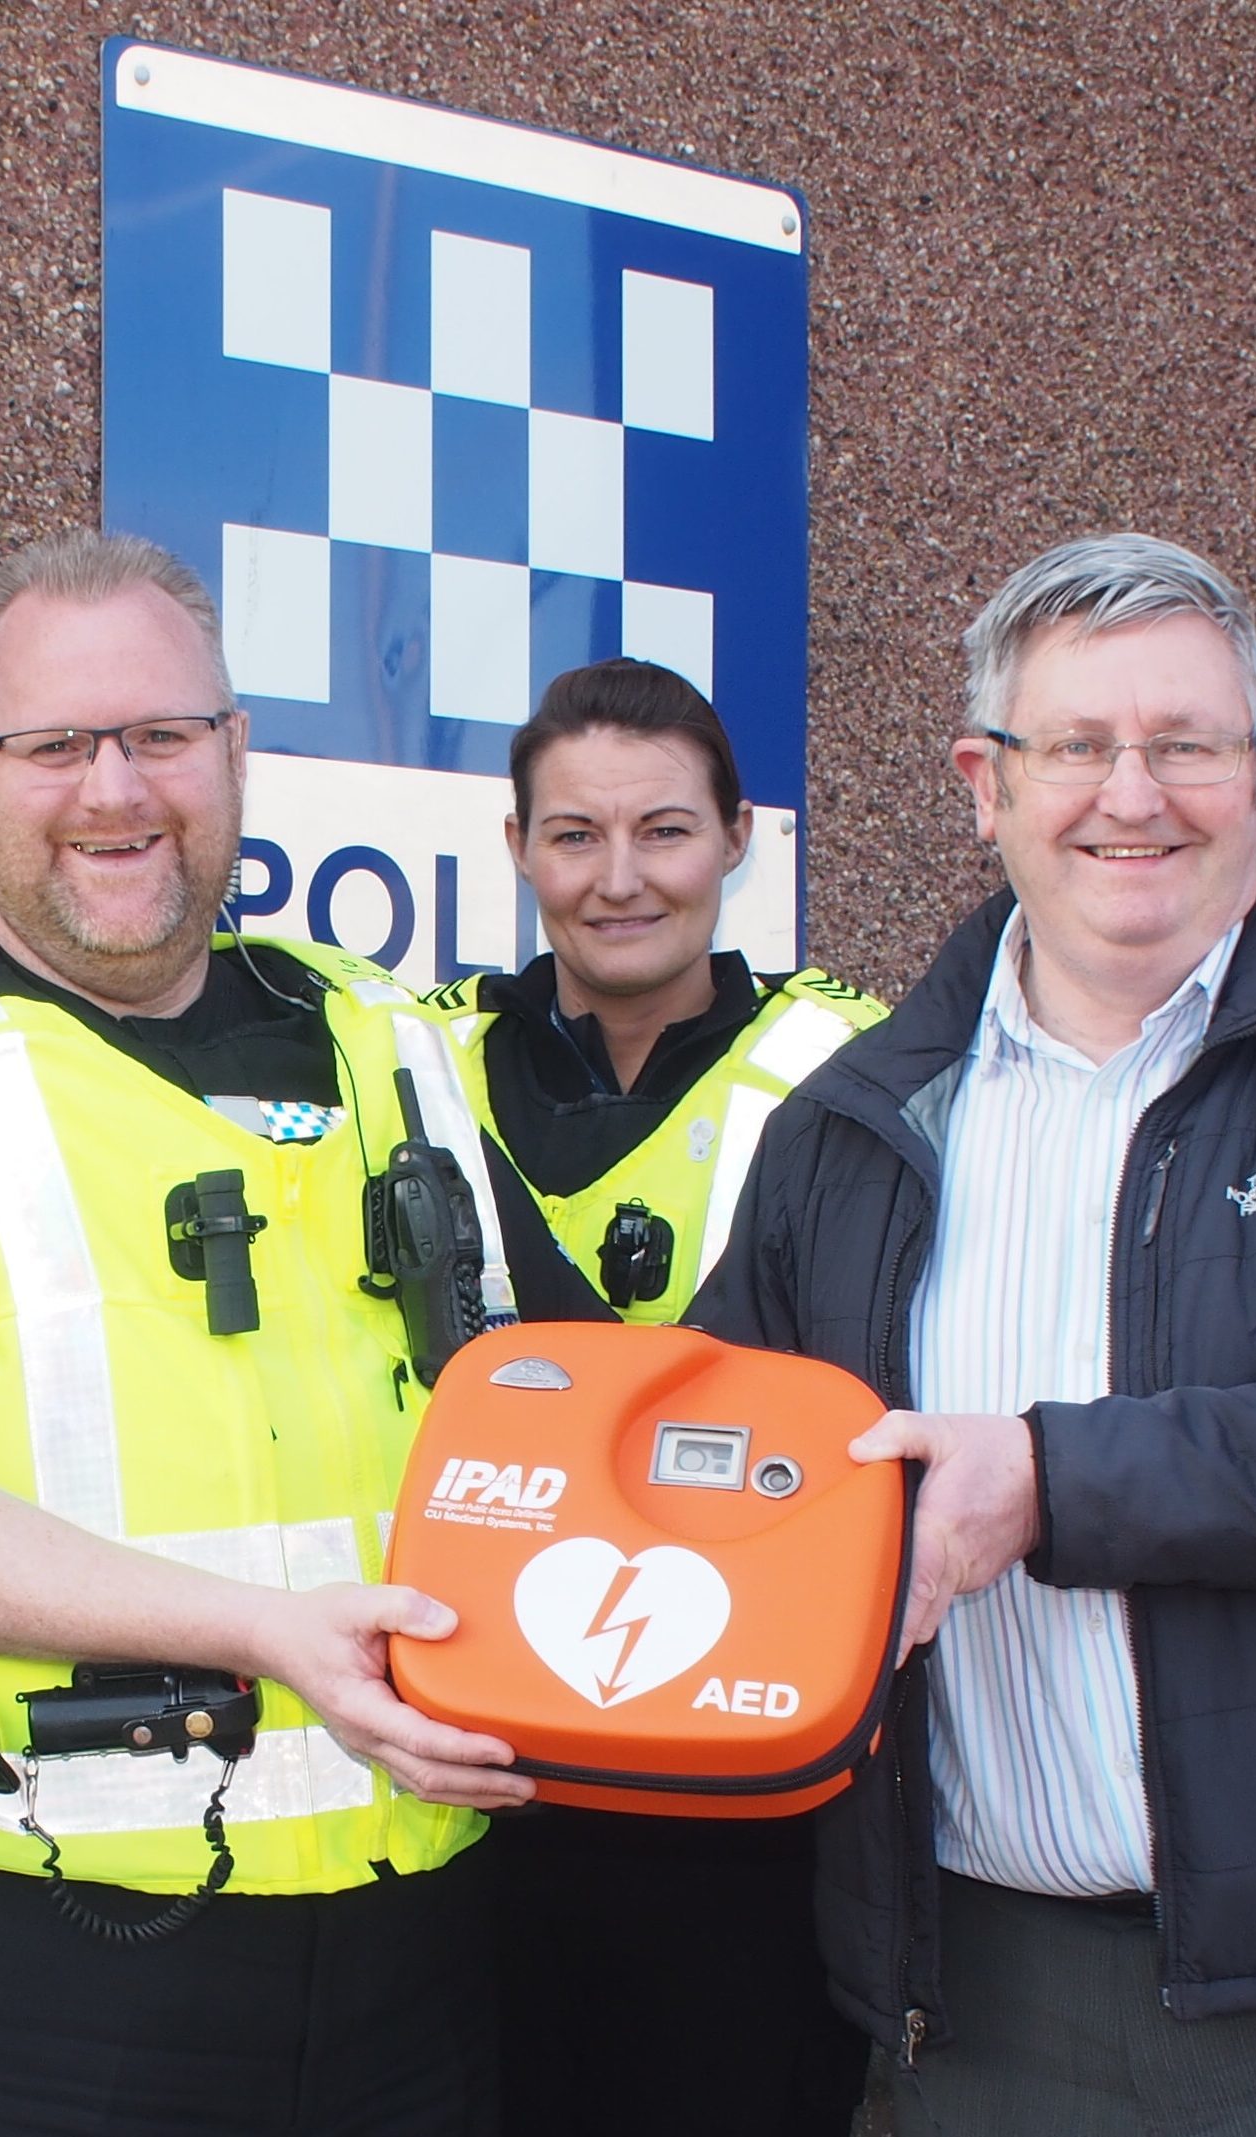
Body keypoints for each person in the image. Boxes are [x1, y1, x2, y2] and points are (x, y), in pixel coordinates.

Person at [693, 532, 1256, 2136]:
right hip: (979, 2005)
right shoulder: (847, 1123)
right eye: (1076, 747)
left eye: (1184, 744)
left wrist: (1053, 1481)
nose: (1134, 795)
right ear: (982, 785)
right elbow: (731, 1467)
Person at [0, 530, 529, 2135]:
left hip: (417, 1951)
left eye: (162, 734)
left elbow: (571, 1403)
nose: (115, 789)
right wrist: (265, 1633)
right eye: (57, 744)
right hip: (37, 1971)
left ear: (235, 753)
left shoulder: (394, 1040)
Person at [409, 657, 882, 2137]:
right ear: (517, 848)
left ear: (741, 836)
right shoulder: (412, 1060)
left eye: (665, 831)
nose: (619, 879)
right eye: (574, 835)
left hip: (745, 1802)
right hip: (465, 1771)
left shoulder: (852, 1064)